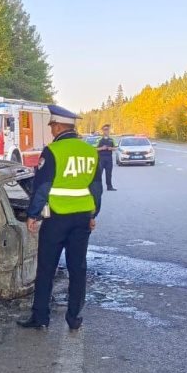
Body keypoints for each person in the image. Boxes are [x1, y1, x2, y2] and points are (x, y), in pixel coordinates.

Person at [17, 105, 102, 332]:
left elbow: (42, 187)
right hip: (82, 218)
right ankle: (74, 318)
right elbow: (96, 188)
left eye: (52, 127)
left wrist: (32, 215)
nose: (52, 131)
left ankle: (41, 318)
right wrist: (92, 214)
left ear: (57, 126)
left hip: (57, 218)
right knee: (77, 268)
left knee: (46, 268)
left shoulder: (53, 151)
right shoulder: (90, 151)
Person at [96, 124, 117, 191]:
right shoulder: (99, 140)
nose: (106, 131)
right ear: (102, 131)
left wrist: (111, 148)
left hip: (109, 158)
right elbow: (94, 149)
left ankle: (109, 187)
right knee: (99, 174)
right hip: (101, 158)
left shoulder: (111, 139)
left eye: (108, 129)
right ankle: (98, 187)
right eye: (105, 129)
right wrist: (101, 148)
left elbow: (115, 148)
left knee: (109, 174)